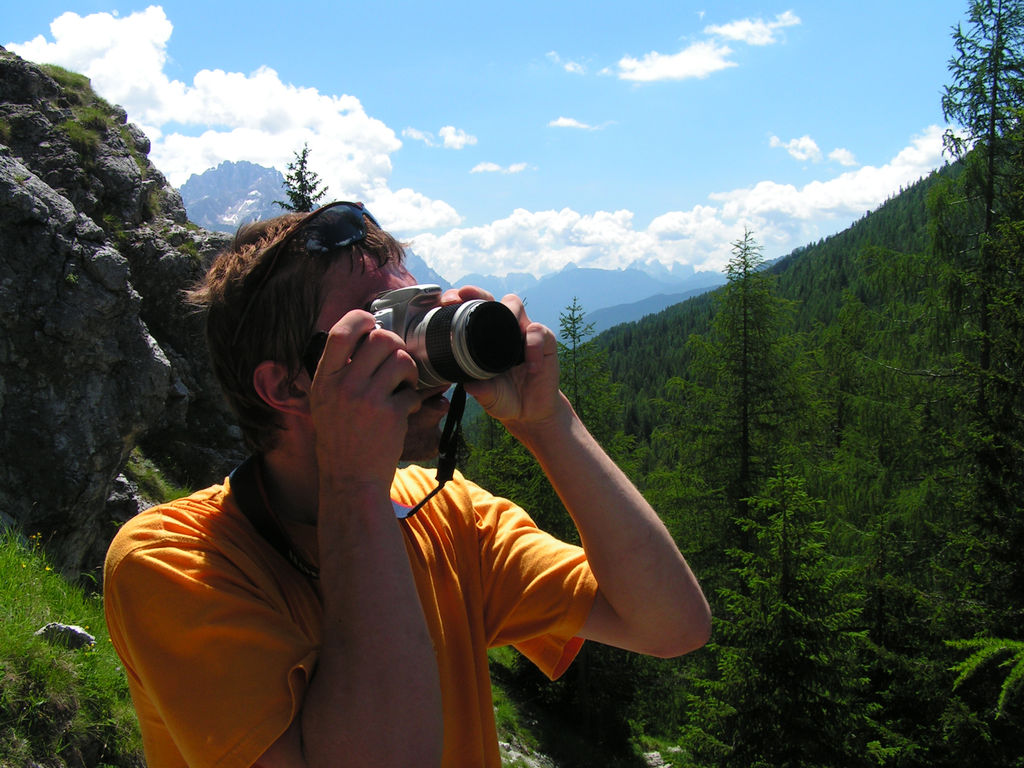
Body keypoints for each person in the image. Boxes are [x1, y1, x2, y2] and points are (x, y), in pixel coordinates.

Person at [103, 201, 711, 768]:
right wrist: (354, 488)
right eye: (379, 333)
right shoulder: (175, 561)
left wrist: (549, 423)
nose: (421, 359)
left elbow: (670, 624)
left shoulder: (447, 512)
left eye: (421, 316)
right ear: (289, 387)